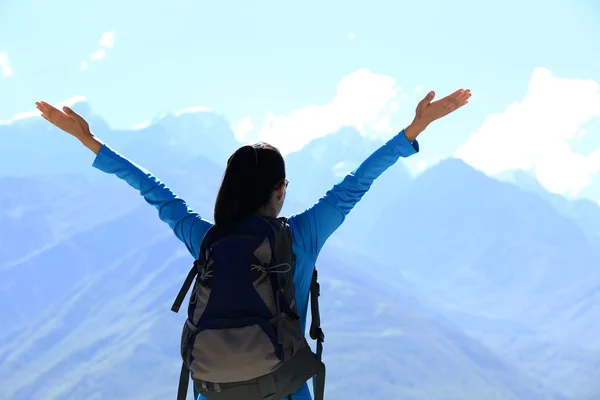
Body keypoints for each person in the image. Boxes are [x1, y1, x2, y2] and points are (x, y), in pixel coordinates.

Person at [35, 88, 471, 400]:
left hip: (215, 390)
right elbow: (357, 183)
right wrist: (414, 128)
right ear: (281, 190)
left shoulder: (206, 239)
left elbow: (153, 191)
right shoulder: (301, 236)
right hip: (283, 390)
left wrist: (89, 141)